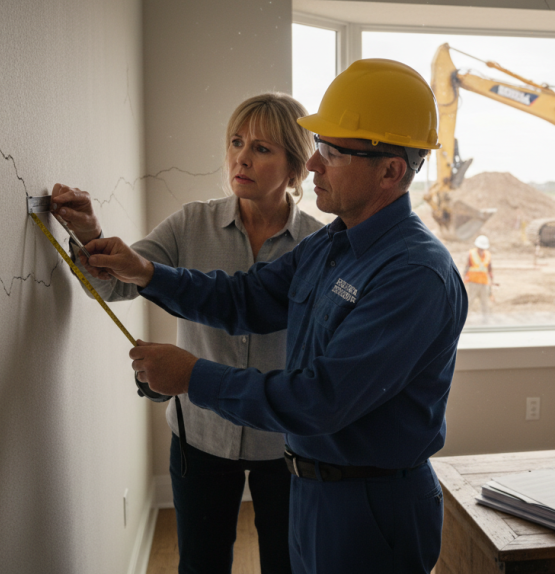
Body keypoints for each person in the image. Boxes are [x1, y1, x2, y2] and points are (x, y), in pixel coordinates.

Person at [81, 59, 468, 574]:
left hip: (369, 507)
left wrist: (194, 376)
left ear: (391, 171)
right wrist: (148, 272)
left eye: (331, 152)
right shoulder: (334, 244)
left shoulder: (414, 275)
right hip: (312, 490)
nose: (313, 166)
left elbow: (320, 400)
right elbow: (245, 298)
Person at [50, 92, 323, 574]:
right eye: (237, 142)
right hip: (199, 434)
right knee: (201, 564)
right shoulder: (191, 223)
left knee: (289, 564)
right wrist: (90, 235)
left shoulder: (317, 247)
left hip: (282, 443)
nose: (242, 157)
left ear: (296, 167)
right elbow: (114, 286)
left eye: (262, 148)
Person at [464, 234, 494, 321]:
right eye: (480, 248)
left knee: (485, 302)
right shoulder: (471, 253)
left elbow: (490, 269)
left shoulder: (488, 255)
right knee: (469, 301)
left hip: (484, 282)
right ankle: (464, 319)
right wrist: (464, 279)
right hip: (473, 282)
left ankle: (486, 320)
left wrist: (491, 281)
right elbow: (467, 267)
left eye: (483, 248)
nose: (481, 250)